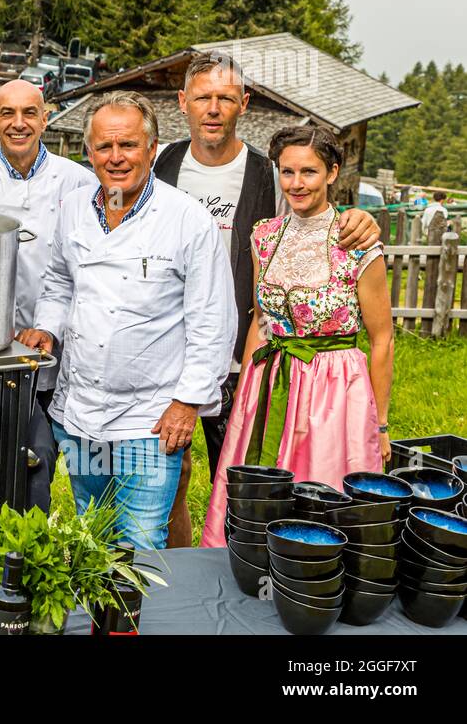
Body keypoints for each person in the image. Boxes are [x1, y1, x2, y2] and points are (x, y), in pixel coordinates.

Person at [155, 52, 379, 547]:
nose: (213, 108)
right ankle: (186, 580)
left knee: (244, 477)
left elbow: (312, 221)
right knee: (169, 481)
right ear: (183, 103)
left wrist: (362, 220)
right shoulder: (159, 164)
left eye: (225, 98)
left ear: (244, 105)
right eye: (203, 97)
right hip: (169, 352)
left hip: (243, 359)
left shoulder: (269, 174)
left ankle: (249, 568)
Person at [25, 92, 236, 550]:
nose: (116, 158)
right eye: (104, 147)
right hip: (80, 413)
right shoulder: (75, 209)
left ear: (152, 148)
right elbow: (60, 283)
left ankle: (135, 623)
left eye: (128, 145)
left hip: (151, 418)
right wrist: (47, 327)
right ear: (89, 152)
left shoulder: (188, 221)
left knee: (140, 544)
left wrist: (187, 402)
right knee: (94, 534)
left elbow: (213, 323)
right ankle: (99, 622)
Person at [201, 126, 393, 547]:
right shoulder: (264, 237)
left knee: (320, 490)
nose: (296, 183)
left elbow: (382, 340)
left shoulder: (358, 243)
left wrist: (379, 424)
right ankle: (252, 565)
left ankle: (313, 576)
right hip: (270, 382)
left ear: (332, 173)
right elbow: (258, 319)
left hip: (334, 390)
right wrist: (246, 395)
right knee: (260, 490)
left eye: (309, 172)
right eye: (287, 172)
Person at [0, 78, 94, 510]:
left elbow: (79, 268)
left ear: (45, 119)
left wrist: (50, 326)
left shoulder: (79, 182)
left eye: (29, 113)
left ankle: (29, 552)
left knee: (48, 455)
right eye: (7, 113)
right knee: (8, 452)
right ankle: (0, 549)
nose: (18, 123)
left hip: (58, 344)